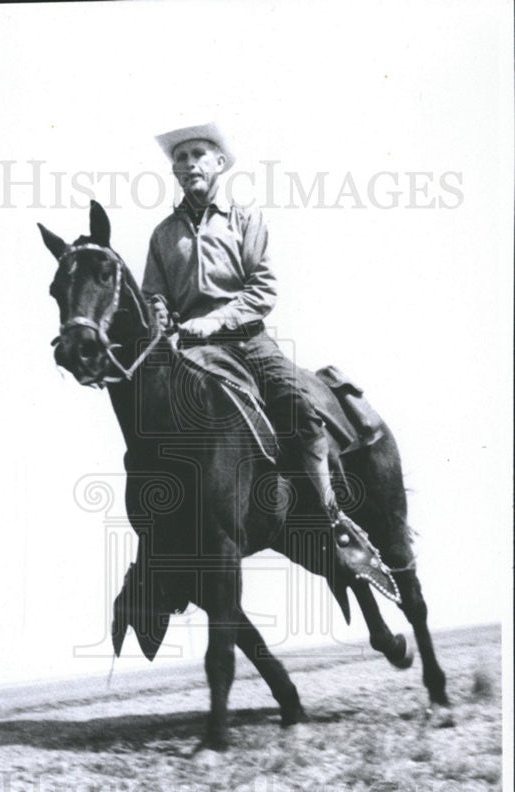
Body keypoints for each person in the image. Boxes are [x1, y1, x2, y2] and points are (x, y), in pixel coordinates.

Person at [142, 121, 389, 583]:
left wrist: (214, 319)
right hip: (192, 350)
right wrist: (161, 320)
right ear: (174, 172)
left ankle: (332, 516)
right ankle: (169, 544)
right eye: (180, 157)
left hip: (249, 340)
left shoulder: (245, 218)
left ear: (219, 163)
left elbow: (262, 287)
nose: (189, 163)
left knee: (300, 407)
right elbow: (154, 294)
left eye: (198, 154)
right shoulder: (161, 235)